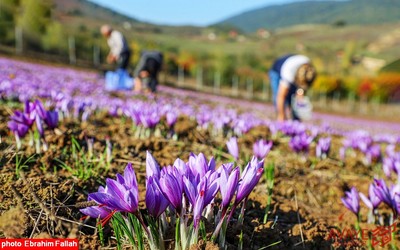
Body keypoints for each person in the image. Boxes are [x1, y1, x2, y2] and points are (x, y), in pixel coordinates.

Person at [268, 54, 316, 121]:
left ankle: (295, 121)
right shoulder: (288, 73)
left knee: (294, 99)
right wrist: (282, 115)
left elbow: (301, 89)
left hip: (293, 70)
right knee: (280, 96)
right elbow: (281, 96)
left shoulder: (308, 68)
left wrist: (300, 97)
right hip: (277, 72)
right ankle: (281, 119)